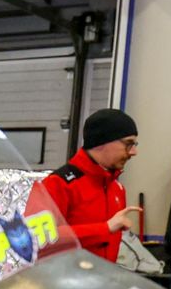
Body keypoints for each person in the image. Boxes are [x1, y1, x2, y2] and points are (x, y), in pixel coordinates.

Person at [41, 108, 143, 263]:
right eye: (128, 144)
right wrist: (105, 228)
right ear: (102, 142)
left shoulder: (117, 189)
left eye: (134, 144)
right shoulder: (59, 184)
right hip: (63, 283)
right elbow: (41, 239)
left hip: (102, 282)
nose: (134, 152)